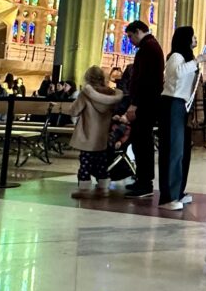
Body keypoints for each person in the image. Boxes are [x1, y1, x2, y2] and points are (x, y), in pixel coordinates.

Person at [159, 26, 206, 211]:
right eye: (193, 36)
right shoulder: (176, 56)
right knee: (173, 151)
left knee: (182, 152)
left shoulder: (186, 58)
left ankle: (178, 191)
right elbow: (176, 73)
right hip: (172, 103)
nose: (195, 39)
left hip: (182, 106)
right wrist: (197, 61)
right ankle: (168, 197)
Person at [69, 66, 124, 198]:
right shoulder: (112, 94)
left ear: (87, 78)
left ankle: (84, 190)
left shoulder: (86, 94)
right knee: (101, 163)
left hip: (87, 136)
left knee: (85, 164)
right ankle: (103, 188)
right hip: (102, 136)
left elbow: (74, 111)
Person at [123, 20, 164, 198]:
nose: (130, 41)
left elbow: (144, 79)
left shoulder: (148, 48)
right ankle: (141, 178)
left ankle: (145, 182)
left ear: (139, 31)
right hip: (147, 103)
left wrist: (135, 103)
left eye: (131, 36)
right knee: (140, 142)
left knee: (142, 143)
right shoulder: (150, 46)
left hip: (145, 104)